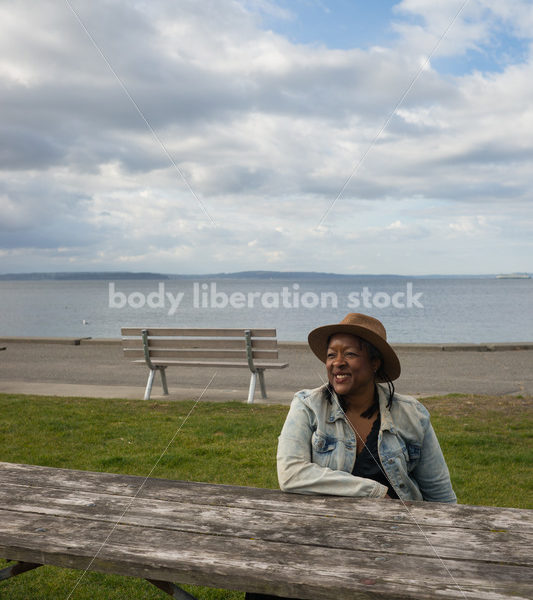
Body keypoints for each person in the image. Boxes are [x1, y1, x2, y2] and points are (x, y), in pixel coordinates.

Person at [245, 313, 456, 600]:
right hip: (321, 537)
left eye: (350, 354)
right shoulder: (308, 406)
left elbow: (441, 498)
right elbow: (291, 473)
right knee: (264, 585)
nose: (337, 362)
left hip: (395, 543)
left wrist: (446, 553)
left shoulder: (412, 415)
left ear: (374, 363)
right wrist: (373, 492)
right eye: (332, 354)